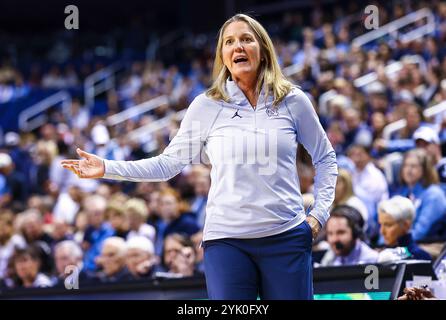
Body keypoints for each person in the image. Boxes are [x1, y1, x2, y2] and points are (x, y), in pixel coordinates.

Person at [61, 13, 337, 300]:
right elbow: (168, 165)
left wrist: (318, 215)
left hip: (286, 237)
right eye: (229, 42)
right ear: (223, 55)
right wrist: (106, 167)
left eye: (246, 39)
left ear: (263, 49)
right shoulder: (206, 105)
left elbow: (326, 158)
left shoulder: (292, 100)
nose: (238, 47)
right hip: (227, 241)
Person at [395, 148, 446, 242]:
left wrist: (394, 245)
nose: (408, 170)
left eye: (413, 166)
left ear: (425, 170)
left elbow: (420, 232)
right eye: (405, 166)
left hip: (426, 246)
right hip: (404, 244)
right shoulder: (403, 191)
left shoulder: (433, 195)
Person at [378, 196, 431, 260]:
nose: (382, 231)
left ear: (406, 225)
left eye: (388, 225)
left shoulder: (419, 256)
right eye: (381, 224)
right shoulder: (382, 254)